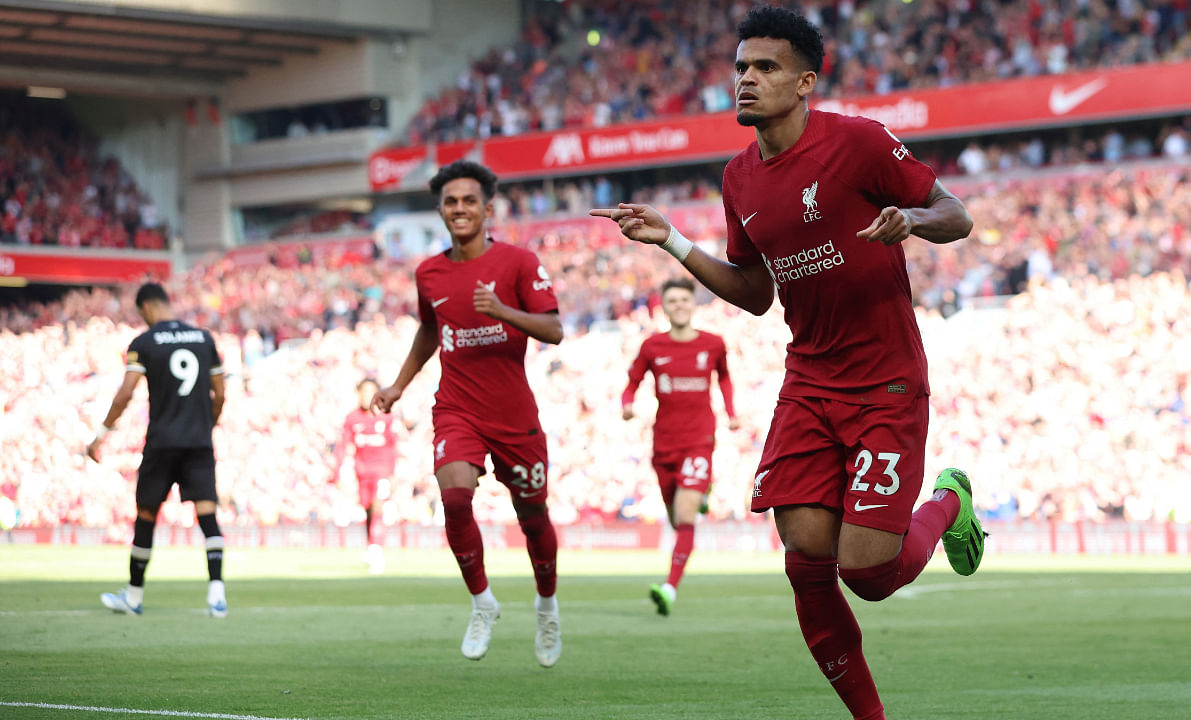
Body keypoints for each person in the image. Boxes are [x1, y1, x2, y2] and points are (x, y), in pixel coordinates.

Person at [590, 7, 985, 718]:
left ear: (805, 81)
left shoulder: (859, 143)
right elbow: (754, 293)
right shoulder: (738, 178)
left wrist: (912, 222)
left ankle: (950, 500)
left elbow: (955, 212)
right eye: (742, 67)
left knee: (867, 574)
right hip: (809, 381)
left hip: (887, 381)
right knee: (805, 561)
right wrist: (675, 242)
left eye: (765, 68)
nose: (747, 79)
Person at [372, 160, 565, 668]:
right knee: (454, 496)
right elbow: (429, 331)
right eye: (451, 201)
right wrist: (397, 384)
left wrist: (503, 312)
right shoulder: (429, 272)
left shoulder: (519, 263)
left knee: (533, 516)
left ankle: (546, 605)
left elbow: (553, 329)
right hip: (457, 408)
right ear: (441, 209)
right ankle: (482, 601)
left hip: (514, 414)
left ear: (487, 209)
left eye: (469, 201)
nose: (460, 209)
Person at [88, 282, 228, 618]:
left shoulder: (145, 342)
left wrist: (101, 434)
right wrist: (208, 425)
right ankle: (217, 596)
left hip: (163, 442)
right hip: (198, 442)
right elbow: (220, 394)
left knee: (147, 517)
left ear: (146, 308)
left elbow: (125, 394)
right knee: (207, 515)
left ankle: (134, 598)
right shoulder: (204, 339)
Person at [621, 277, 739, 615]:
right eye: (672, 301)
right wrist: (627, 404)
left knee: (685, 516)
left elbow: (725, 378)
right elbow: (632, 382)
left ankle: (669, 588)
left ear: (693, 304)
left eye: (684, 300)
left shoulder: (713, 344)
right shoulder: (652, 346)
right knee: (676, 518)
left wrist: (731, 413)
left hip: (699, 440)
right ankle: (700, 493)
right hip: (664, 444)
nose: (679, 306)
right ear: (664, 306)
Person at [333, 377, 401, 575]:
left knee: (378, 506)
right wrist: (338, 472)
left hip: (383, 470)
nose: (366, 396)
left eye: (370, 392)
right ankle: (372, 547)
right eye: (363, 392)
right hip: (362, 472)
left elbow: (393, 445)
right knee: (369, 510)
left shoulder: (387, 417)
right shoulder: (352, 418)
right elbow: (344, 445)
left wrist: (393, 473)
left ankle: (376, 550)